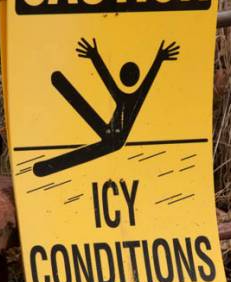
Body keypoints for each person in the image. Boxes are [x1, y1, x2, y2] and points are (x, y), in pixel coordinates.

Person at [33, 37, 180, 177]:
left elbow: (117, 79)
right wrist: (94, 56)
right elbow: (111, 79)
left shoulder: (132, 98)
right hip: (110, 134)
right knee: (90, 122)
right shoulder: (133, 97)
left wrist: (94, 56)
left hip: (115, 141)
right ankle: (58, 81)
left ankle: (45, 168)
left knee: (85, 147)